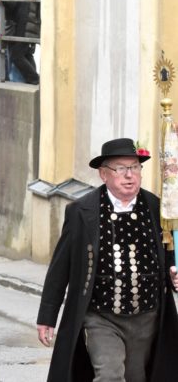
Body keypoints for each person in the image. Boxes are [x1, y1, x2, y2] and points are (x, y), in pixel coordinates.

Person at [36, 138, 178, 381]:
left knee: (137, 377)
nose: (129, 176)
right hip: (101, 317)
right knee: (110, 375)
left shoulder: (157, 207)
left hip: (146, 317)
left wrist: (174, 273)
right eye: (120, 169)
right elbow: (61, 267)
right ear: (104, 174)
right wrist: (47, 317)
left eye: (134, 167)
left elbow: (169, 258)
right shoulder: (82, 211)